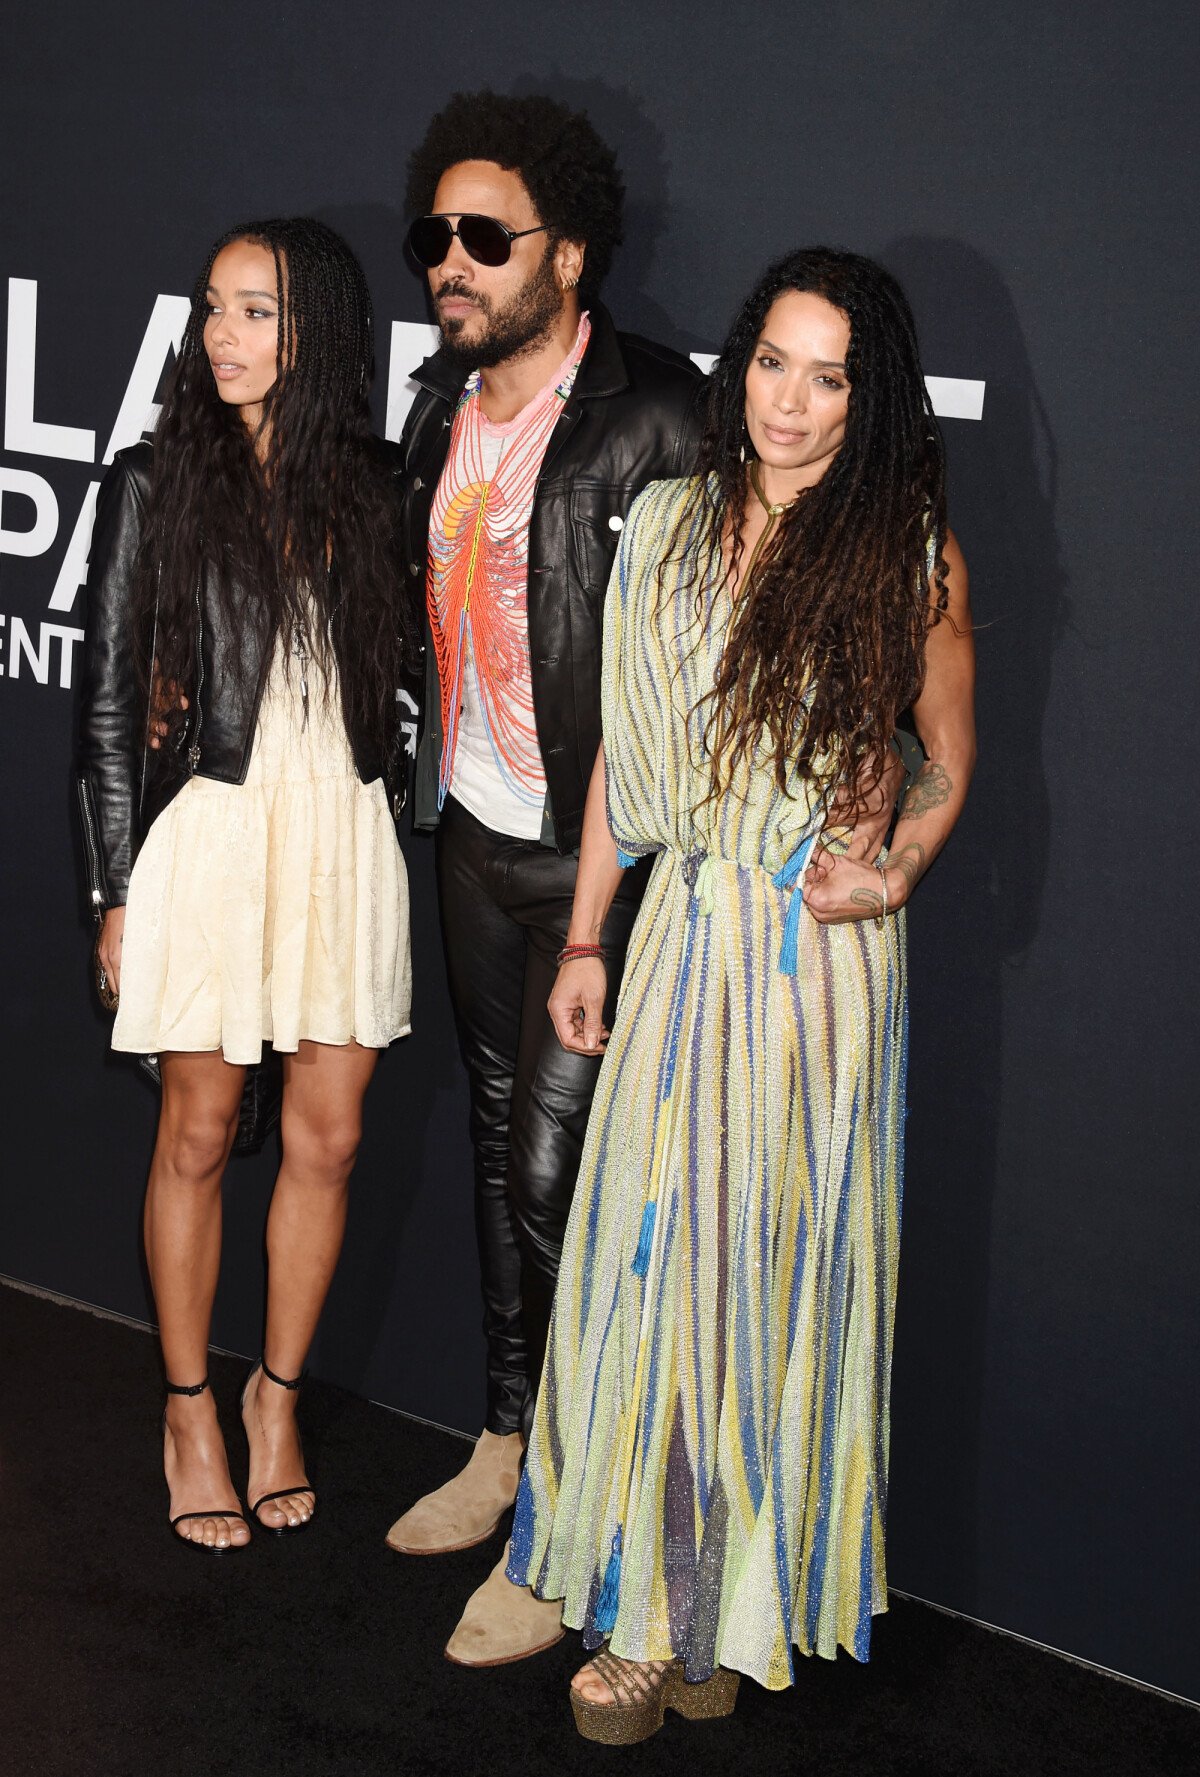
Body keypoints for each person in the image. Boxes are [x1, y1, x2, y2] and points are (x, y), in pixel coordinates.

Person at [506, 247, 977, 1742]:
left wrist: (892, 869)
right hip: (683, 943)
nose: (789, 399)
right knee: (653, 1278)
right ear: (740, 364)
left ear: (870, 393)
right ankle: (647, 1615)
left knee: (767, 1287)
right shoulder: (667, 529)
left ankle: (715, 1607)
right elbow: (621, 776)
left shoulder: (910, 555)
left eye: (828, 373)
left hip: (817, 980)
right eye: (772, 360)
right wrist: (586, 942)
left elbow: (951, 759)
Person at [381, 91, 708, 1662]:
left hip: (602, 865)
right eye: (434, 234)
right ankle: (511, 1443)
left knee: (560, 1183)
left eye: (484, 236)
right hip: (470, 830)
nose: (448, 260)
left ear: (567, 254)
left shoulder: (660, 413)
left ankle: (573, 1522)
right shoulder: (441, 408)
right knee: (497, 1143)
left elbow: (714, 651)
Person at [76, 217, 415, 1552]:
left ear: (317, 328)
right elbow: (106, 710)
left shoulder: (380, 486)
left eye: (257, 311)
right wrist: (112, 885)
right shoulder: (156, 478)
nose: (223, 334)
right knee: (199, 1135)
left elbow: (418, 678)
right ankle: (186, 1411)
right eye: (213, 306)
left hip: (341, 833)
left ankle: (274, 1397)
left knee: (328, 1137)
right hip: (210, 836)